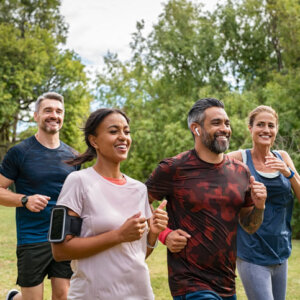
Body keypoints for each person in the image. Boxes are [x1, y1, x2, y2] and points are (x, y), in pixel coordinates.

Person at [146, 98, 267, 300]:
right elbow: (139, 201)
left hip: (226, 283)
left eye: (227, 123)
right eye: (216, 123)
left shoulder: (241, 172)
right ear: (196, 129)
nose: (224, 129)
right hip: (189, 281)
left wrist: (260, 206)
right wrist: (164, 234)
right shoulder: (173, 168)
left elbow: (249, 226)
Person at [51, 108, 168, 299]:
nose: (123, 137)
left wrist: (153, 234)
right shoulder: (78, 181)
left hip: (139, 294)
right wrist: (118, 235)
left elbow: (135, 256)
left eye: (126, 132)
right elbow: (60, 251)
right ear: (94, 140)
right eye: (114, 131)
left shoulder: (139, 189)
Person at [0, 92, 80, 300]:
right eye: (48, 110)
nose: (54, 115)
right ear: (36, 116)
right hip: (32, 236)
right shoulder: (20, 152)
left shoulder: (74, 157)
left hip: (64, 236)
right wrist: (24, 200)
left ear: (63, 117)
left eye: (58, 111)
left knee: (63, 296)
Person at [227, 105, 300, 300]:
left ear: (276, 130)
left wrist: (289, 173)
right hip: (252, 253)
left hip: (280, 252)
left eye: (271, 125)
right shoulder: (238, 159)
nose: (266, 130)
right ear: (250, 128)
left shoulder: (283, 157)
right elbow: (209, 170)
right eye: (260, 124)